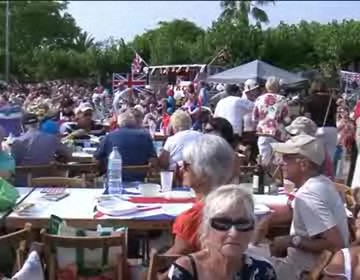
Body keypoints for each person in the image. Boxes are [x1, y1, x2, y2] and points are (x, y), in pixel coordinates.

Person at [250, 134, 349, 280]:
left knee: (242, 257)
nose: (281, 163)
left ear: (303, 164)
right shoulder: (322, 183)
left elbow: (335, 244)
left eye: (287, 158)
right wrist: (271, 222)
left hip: (300, 272)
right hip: (305, 267)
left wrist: (292, 241)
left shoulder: (308, 195)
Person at [169, 184, 277, 280]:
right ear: (206, 229)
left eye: (242, 223)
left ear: (252, 229)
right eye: (222, 223)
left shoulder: (262, 271)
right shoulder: (186, 270)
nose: (234, 233)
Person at [166, 134, 236, 255]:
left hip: (200, 272)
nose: (182, 169)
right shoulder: (238, 207)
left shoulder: (193, 217)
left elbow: (173, 260)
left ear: (203, 173)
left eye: (186, 165)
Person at [94, 109, 157, 182]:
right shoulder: (145, 136)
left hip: (114, 180)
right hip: (140, 181)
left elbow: (96, 160)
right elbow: (154, 161)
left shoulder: (109, 137)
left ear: (119, 124)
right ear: (134, 123)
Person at [11, 113, 71, 186]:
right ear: (38, 124)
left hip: (22, 184)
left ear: (23, 127)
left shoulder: (17, 142)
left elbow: (13, 163)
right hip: (46, 182)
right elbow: (68, 154)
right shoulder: (52, 138)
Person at [253, 76, 290, 166]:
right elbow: (286, 119)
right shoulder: (282, 99)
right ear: (278, 87)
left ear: (266, 86)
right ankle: (275, 178)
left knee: (264, 160)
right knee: (278, 161)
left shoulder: (259, 99)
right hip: (278, 133)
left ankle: (262, 178)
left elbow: (255, 117)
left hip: (263, 132)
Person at [303, 79, 338, 160]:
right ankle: (328, 172)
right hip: (331, 129)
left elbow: (307, 117)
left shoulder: (309, 99)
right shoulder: (331, 100)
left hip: (315, 130)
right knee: (329, 159)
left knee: (314, 159)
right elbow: (335, 117)